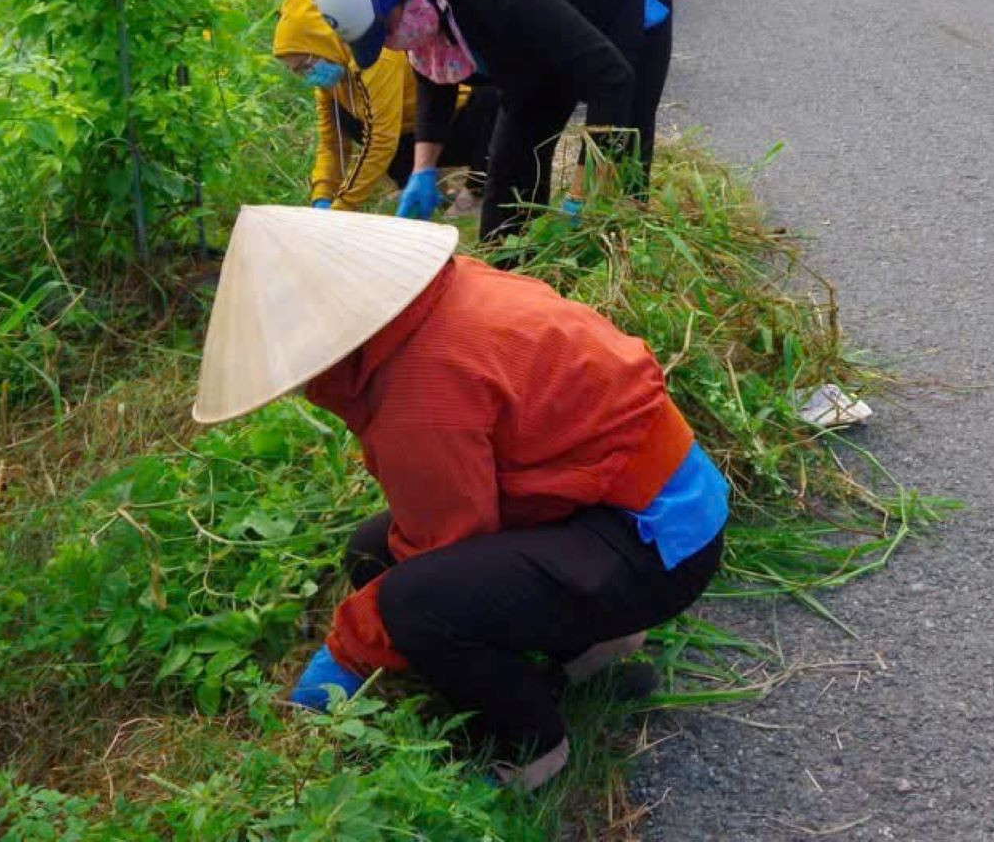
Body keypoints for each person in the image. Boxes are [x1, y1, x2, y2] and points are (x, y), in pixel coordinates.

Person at [191, 205, 728, 789]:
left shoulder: (423, 383)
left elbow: (449, 545)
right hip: (630, 503)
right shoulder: (443, 294)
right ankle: (590, 647)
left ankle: (533, 746)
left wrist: (346, 656)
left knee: (414, 604)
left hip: (655, 544)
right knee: (371, 552)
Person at [311, 0, 674, 242]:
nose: (391, 42)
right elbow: (434, 78)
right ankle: (512, 271)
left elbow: (611, 79)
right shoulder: (430, 2)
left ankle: (615, 271)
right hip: (541, 25)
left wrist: (579, 199)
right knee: (508, 175)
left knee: (622, 160)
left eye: (385, 28)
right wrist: (424, 169)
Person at [279, 0, 495, 211]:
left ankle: (477, 188)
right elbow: (331, 142)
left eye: (304, 65)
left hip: (450, 119)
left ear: (319, 45)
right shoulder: (329, 78)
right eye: (298, 71)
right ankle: (419, 186)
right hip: (409, 129)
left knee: (489, 100)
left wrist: (342, 207)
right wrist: (323, 195)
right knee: (350, 120)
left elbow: (383, 137)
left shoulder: (375, 56)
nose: (307, 75)